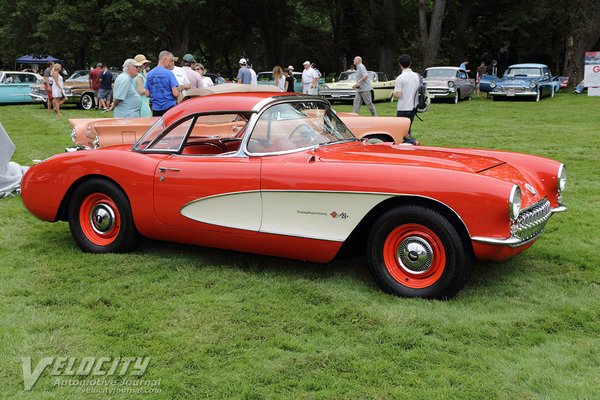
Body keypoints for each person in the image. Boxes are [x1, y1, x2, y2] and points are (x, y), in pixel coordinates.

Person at [145, 50, 180, 116]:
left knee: (159, 126)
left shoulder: (150, 74)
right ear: (164, 59)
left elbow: (147, 94)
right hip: (169, 107)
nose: (170, 63)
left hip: (156, 108)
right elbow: (175, 93)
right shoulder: (169, 73)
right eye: (169, 61)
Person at [394, 54, 420, 135]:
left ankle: (409, 143)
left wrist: (393, 93)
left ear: (400, 64)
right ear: (410, 63)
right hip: (413, 106)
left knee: (401, 131)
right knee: (408, 129)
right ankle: (409, 144)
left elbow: (398, 95)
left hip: (403, 107)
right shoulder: (417, 76)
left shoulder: (400, 78)